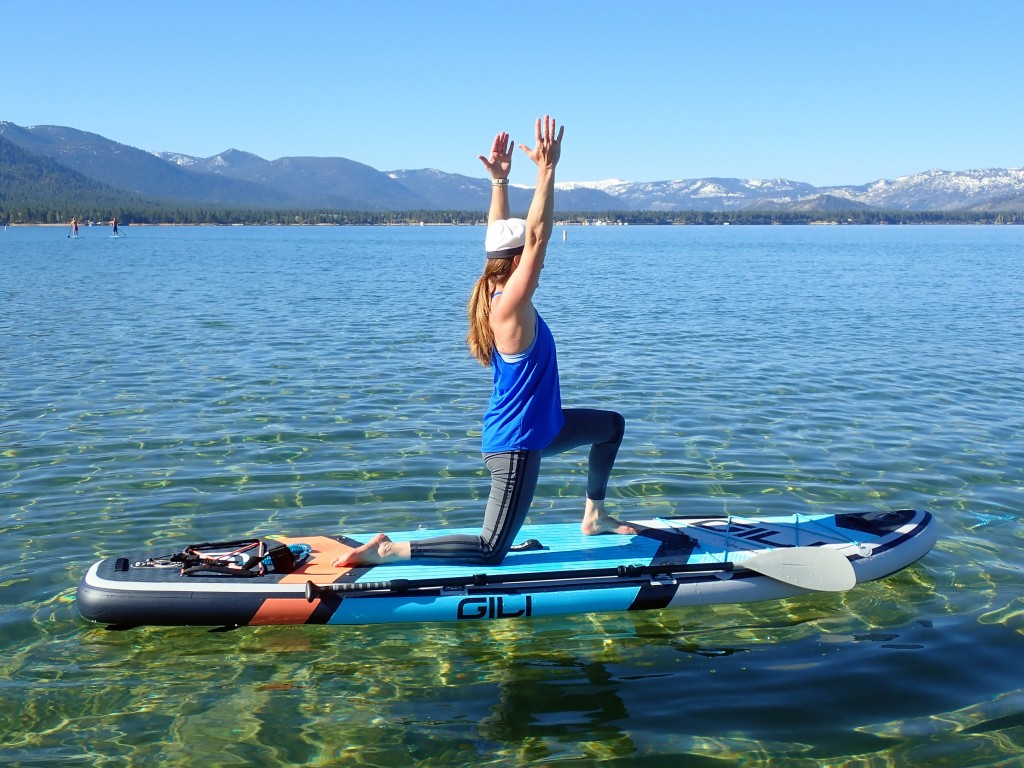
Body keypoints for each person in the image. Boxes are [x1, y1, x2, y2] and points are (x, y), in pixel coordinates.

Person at [334, 115, 633, 568]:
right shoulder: (509, 307)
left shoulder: (494, 287)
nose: (539, 263)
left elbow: (503, 235)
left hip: (545, 426)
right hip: (516, 444)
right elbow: (537, 236)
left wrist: (499, 182)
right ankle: (387, 550)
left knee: (611, 426)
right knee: (492, 550)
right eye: (529, 259)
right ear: (516, 265)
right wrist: (547, 170)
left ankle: (594, 516)